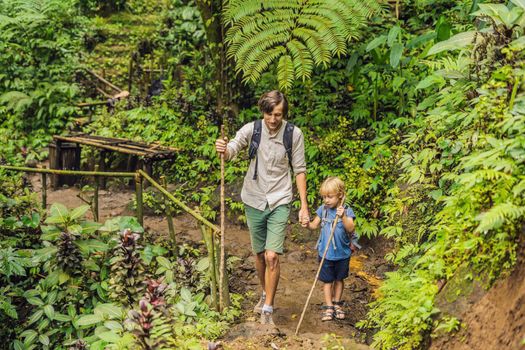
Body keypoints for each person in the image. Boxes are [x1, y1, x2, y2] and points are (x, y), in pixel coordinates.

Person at [215, 90, 310, 325]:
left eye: (278, 114)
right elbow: (232, 150)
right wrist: (223, 149)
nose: (273, 119)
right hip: (254, 198)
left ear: (283, 113)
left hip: (280, 198)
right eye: (269, 113)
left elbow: (299, 169)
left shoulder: (293, 134)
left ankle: (268, 307)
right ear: (263, 111)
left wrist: (304, 206)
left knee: (272, 256)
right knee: (259, 255)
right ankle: (264, 292)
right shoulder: (252, 129)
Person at [306, 176, 358, 321]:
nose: (326, 200)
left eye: (330, 197)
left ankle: (337, 303)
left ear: (340, 195)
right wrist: (306, 224)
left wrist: (342, 217)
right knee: (327, 281)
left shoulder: (346, 210)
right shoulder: (322, 210)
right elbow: (314, 225)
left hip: (342, 253)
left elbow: (350, 228)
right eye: (324, 197)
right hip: (326, 253)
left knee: (339, 279)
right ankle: (329, 306)